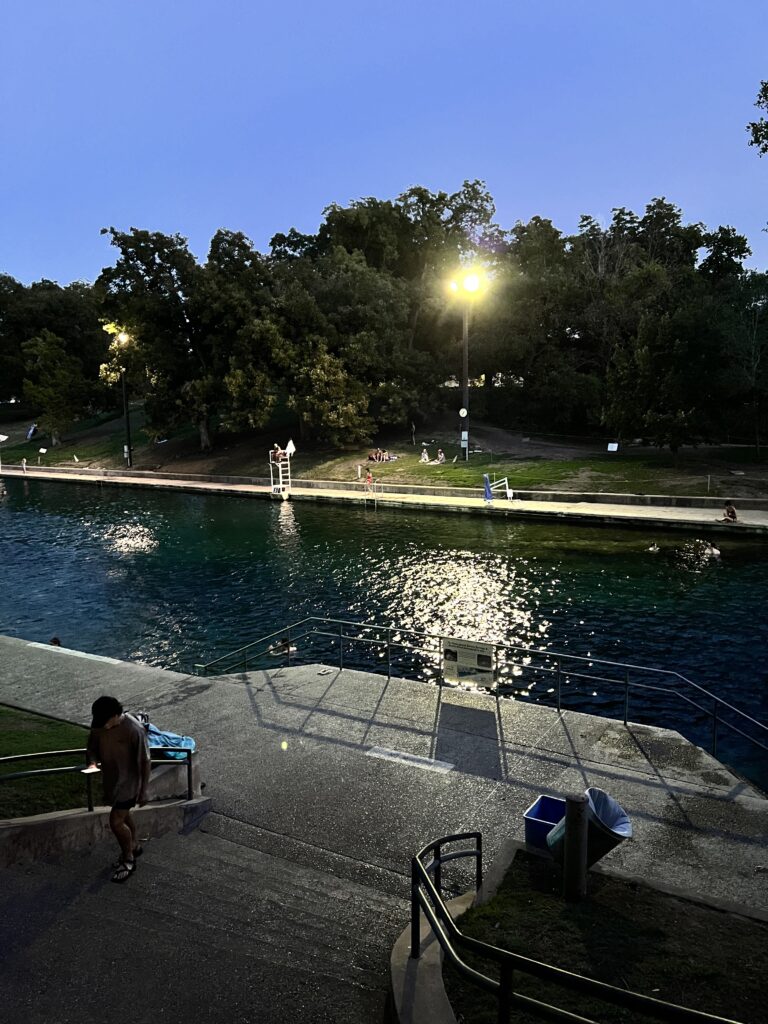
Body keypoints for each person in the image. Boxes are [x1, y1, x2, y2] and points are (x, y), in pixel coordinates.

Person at [86, 696, 151, 883]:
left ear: (116, 715)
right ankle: (135, 845)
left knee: (115, 821)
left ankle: (128, 858)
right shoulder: (99, 723)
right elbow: (91, 745)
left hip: (129, 783)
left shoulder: (134, 730)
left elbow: (145, 761)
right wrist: (92, 762)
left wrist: (144, 790)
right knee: (124, 815)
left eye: (107, 722)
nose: (103, 726)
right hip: (111, 781)